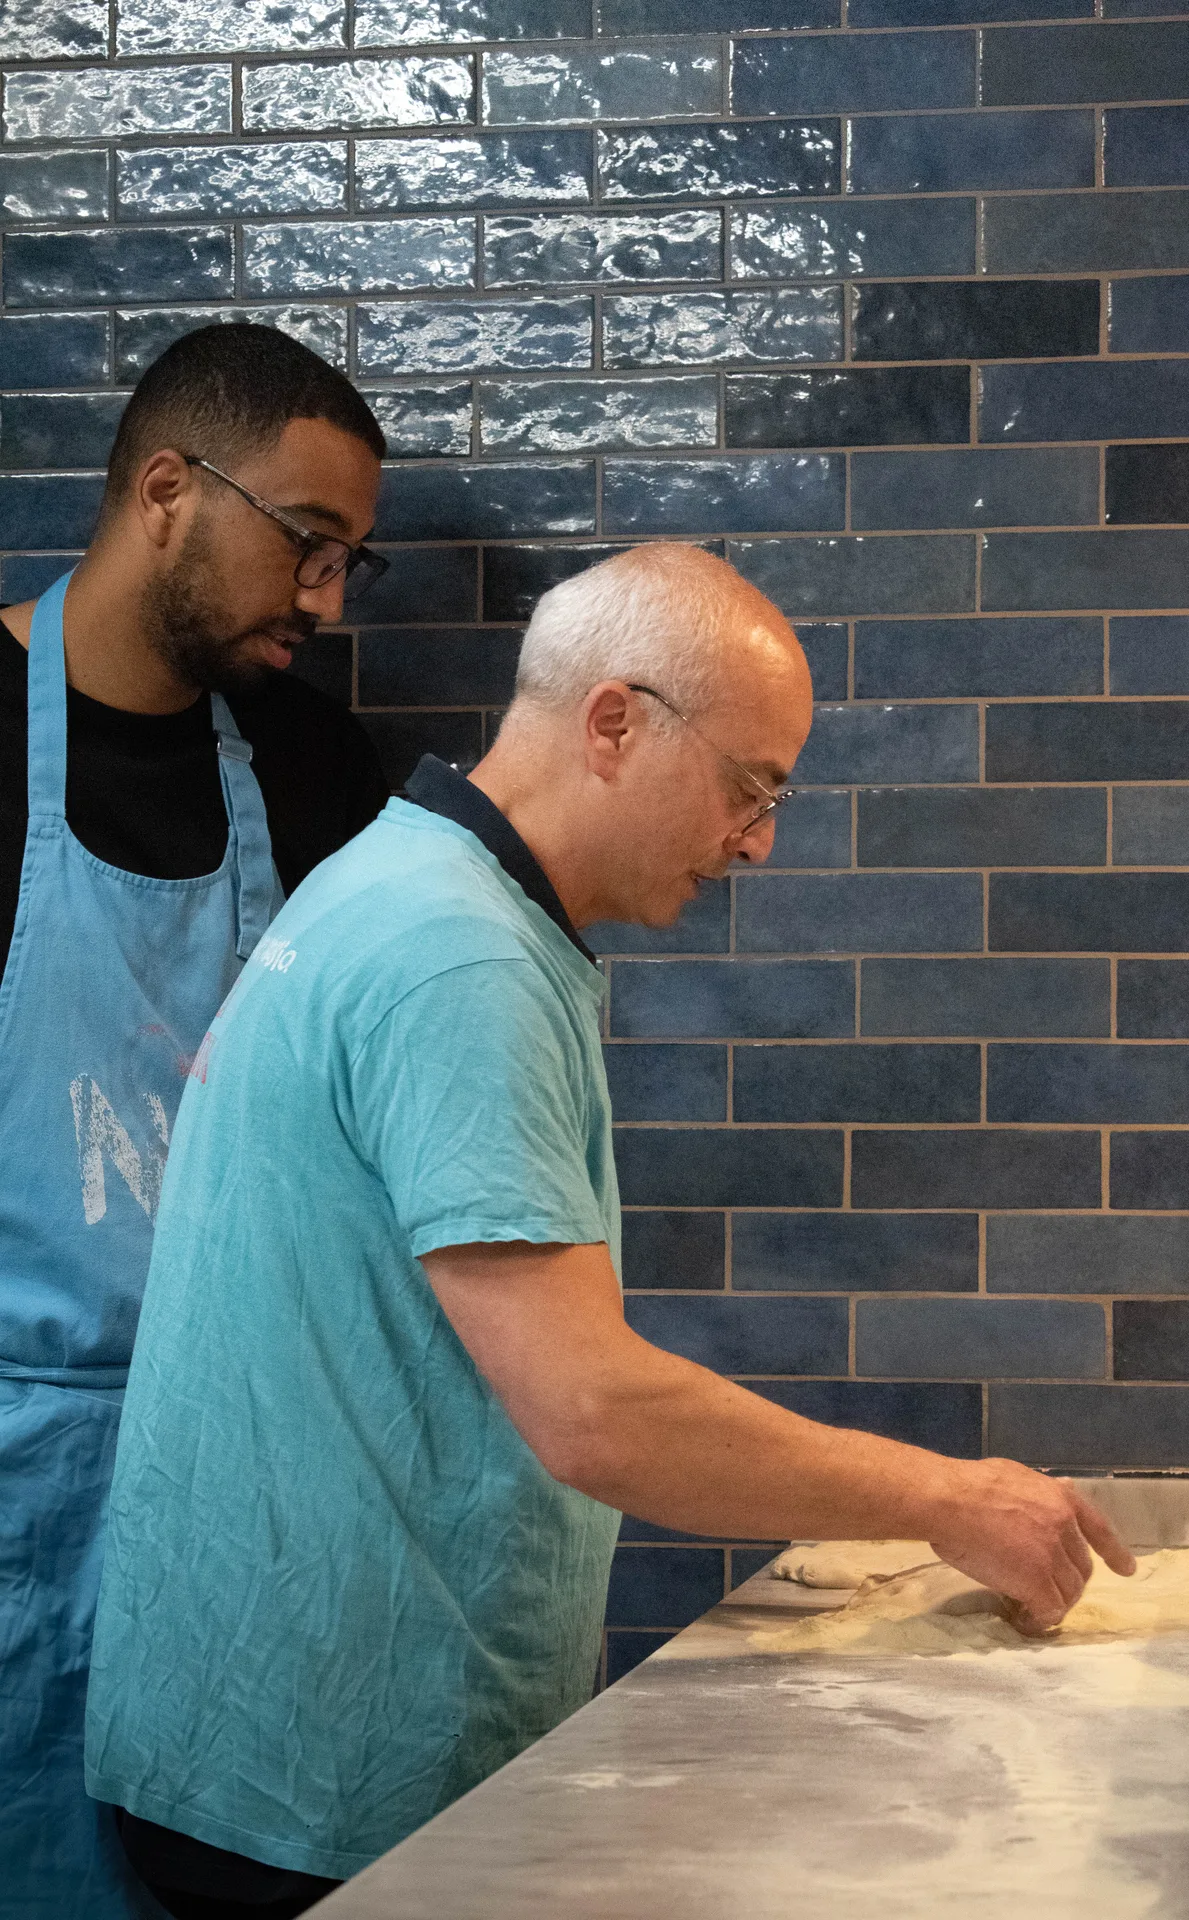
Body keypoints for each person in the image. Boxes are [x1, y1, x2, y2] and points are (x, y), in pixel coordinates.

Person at [84, 545, 1134, 1915]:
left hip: (265, 1729)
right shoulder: (455, 957)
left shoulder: (411, 887)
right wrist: (945, 1500)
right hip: (314, 1776)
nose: (759, 840)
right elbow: (595, 1411)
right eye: (751, 787)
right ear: (616, 723)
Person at [0, 322, 392, 1919]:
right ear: (167, 488)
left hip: (245, 1480)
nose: (326, 598)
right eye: (308, 544)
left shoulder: (312, 765)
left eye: (350, 559)